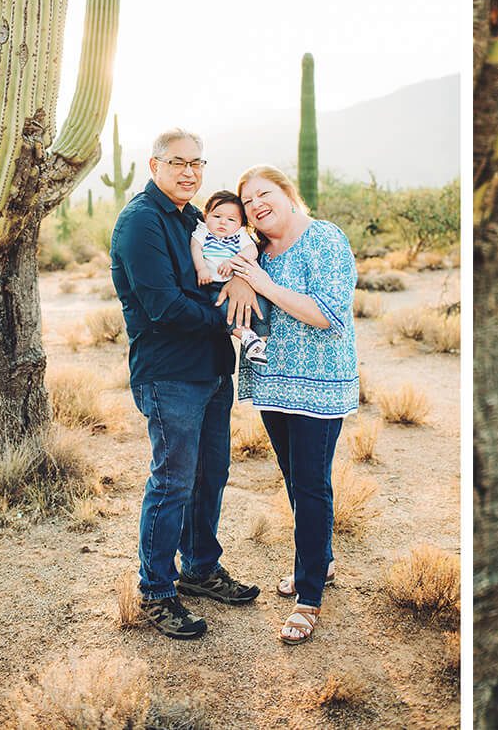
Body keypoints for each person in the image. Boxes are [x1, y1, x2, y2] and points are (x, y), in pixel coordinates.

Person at [111, 129, 262, 640]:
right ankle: (156, 590)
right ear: (153, 165)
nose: (189, 173)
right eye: (178, 163)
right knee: (173, 480)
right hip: (170, 372)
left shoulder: (194, 218)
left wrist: (241, 279)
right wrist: (228, 316)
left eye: (197, 163)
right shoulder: (141, 223)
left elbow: (233, 256)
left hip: (214, 369)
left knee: (211, 474)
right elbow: (163, 307)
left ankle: (199, 567)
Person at [225, 164, 359, 645]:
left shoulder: (324, 238)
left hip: (319, 386)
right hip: (273, 384)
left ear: (287, 192)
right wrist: (245, 278)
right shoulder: (255, 249)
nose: (258, 205)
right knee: (296, 481)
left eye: (265, 194)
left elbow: (324, 313)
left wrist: (260, 283)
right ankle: (317, 563)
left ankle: (308, 597)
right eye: (249, 202)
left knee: (311, 484)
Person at [192, 190, 270, 365]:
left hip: (236, 280)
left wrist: (234, 261)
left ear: (241, 223)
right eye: (217, 216)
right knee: (220, 307)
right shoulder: (203, 231)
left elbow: (252, 250)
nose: (223, 222)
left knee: (261, 303)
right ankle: (246, 336)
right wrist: (201, 268)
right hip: (212, 284)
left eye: (231, 219)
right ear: (206, 215)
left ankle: (261, 342)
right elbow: (195, 247)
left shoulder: (240, 235)